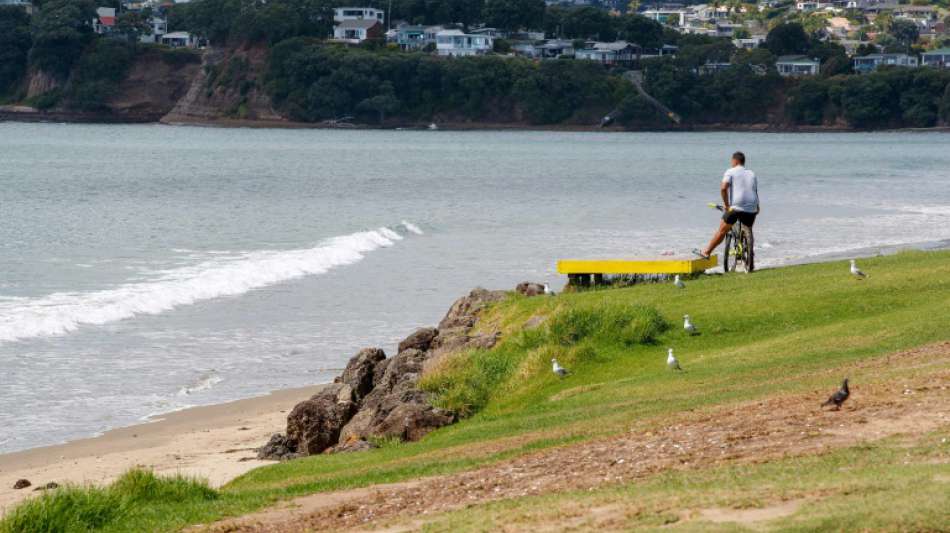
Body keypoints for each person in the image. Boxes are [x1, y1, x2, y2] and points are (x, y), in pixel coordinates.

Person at [697, 151, 759, 259]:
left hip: (736, 207)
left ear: (735, 161)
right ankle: (749, 251)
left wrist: (726, 205)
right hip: (752, 207)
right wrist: (757, 206)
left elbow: (723, 188)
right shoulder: (751, 173)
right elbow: (754, 190)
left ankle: (706, 252)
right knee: (748, 228)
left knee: (722, 230)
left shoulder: (730, 171)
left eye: (732, 161)